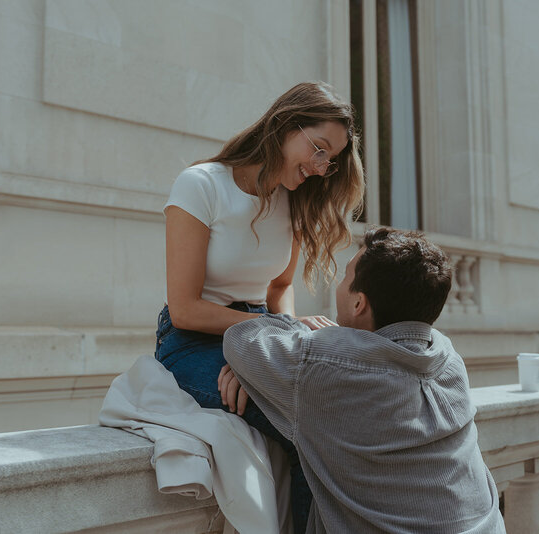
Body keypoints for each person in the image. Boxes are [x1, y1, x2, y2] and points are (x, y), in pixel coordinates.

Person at [154, 81, 364, 533]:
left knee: (339, 407)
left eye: (331, 159)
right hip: (192, 341)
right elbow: (186, 308)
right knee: (306, 432)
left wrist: (279, 331)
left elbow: (280, 286)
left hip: (259, 330)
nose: (322, 165)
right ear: (286, 125)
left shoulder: (293, 201)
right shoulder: (200, 185)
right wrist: (265, 336)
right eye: (319, 148)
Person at [219, 227, 506, 533]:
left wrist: (280, 355)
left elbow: (239, 340)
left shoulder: (325, 367)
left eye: (344, 277)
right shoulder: (448, 359)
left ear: (359, 304)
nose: (338, 286)